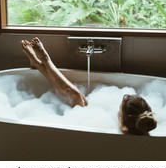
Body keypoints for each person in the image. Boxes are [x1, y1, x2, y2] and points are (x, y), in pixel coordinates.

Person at [21, 37, 157, 135]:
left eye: (120, 111)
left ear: (124, 125)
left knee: (74, 95)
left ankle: (44, 61)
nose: (118, 112)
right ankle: (39, 63)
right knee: (79, 98)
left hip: (87, 127)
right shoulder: (139, 126)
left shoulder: (124, 131)